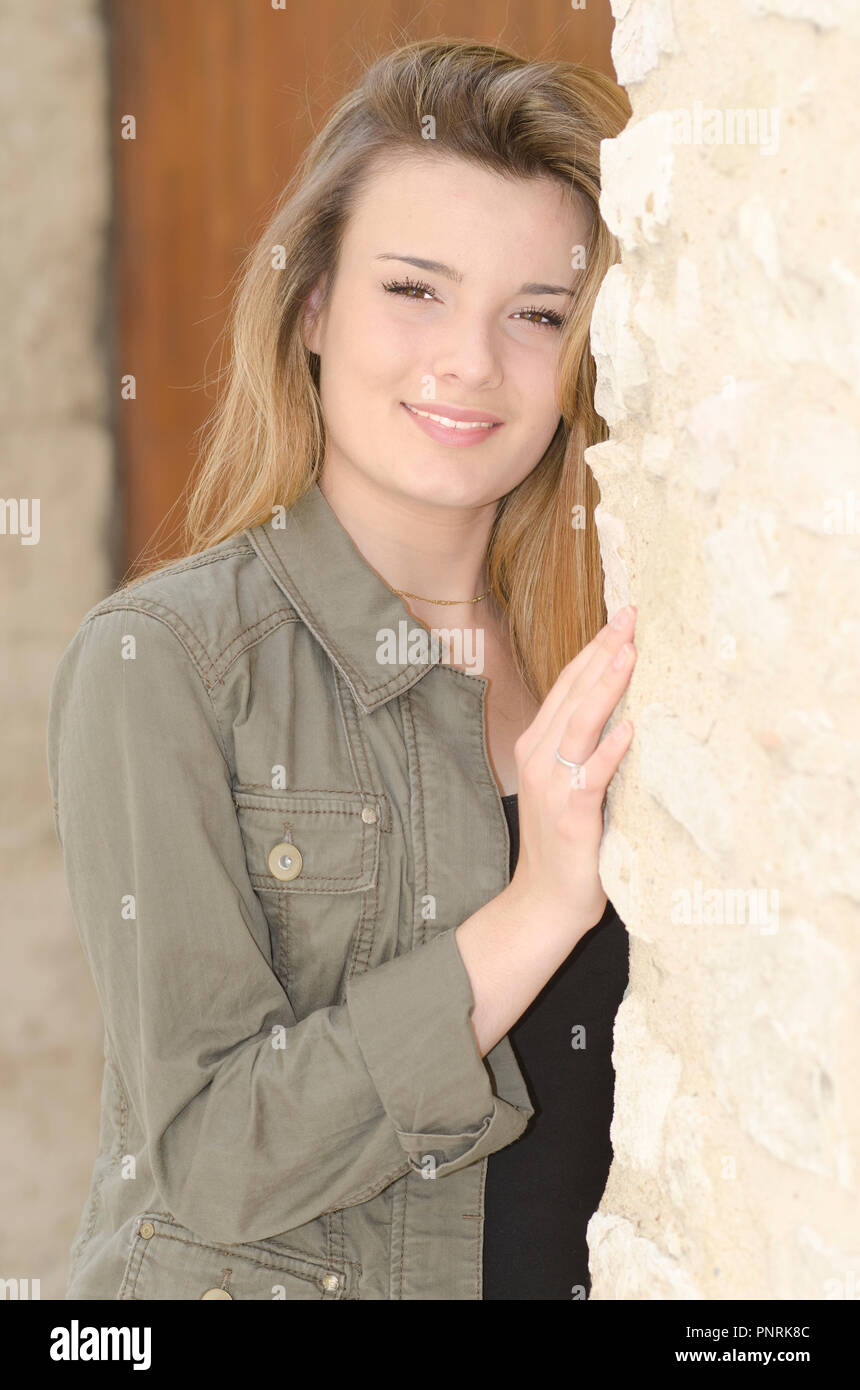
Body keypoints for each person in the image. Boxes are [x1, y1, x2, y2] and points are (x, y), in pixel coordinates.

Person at [47, 38, 636, 1301]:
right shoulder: (167, 663)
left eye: (535, 313)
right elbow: (213, 1153)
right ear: (312, 305)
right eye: (414, 290)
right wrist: (536, 905)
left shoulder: (602, 672)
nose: (470, 360)